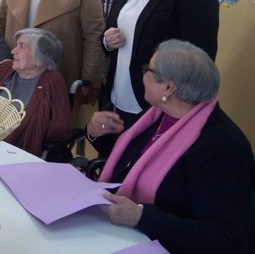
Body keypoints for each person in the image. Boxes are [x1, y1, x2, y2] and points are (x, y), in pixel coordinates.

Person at [87, 40, 254, 253]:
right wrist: (94, 132)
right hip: (121, 234)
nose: (143, 74)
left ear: (168, 87)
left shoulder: (222, 149)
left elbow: (226, 237)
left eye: (148, 69)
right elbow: (127, 162)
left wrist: (141, 216)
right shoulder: (157, 115)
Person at [0, 28, 71, 158]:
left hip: (13, 153)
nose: (13, 51)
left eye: (21, 46)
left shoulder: (52, 81)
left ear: (41, 58)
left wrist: (32, 127)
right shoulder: (6, 68)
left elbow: (61, 129)